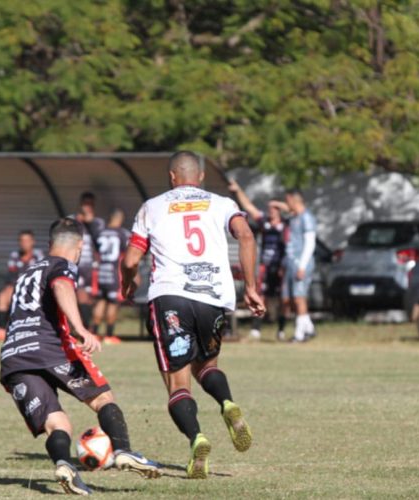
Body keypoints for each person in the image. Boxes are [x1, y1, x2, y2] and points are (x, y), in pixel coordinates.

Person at [121, 151, 266, 479]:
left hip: (170, 296)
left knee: (177, 382)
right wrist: (252, 287)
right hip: (213, 298)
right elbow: (246, 235)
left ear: (173, 177)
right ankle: (227, 403)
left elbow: (131, 260)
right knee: (207, 365)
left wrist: (127, 283)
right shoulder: (222, 203)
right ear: (200, 177)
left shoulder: (152, 207)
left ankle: (196, 437)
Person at [0, 218, 160, 495]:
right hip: (49, 348)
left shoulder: (27, 271)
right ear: (80, 246)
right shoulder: (61, 266)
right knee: (102, 399)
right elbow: (62, 287)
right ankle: (123, 451)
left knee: (57, 423)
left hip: (13, 357)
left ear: (50, 243)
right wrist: (80, 328)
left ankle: (63, 465)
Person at [227, 179, 287, 340]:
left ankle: (281, 330)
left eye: (274, 209)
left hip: (280, 267)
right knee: (261, 296)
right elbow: (249, 207)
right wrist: (238, 190)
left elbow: (296, 210)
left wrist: (280, 205)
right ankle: (256, 329)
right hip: (265, 267)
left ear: (280, 211)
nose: (271, 211)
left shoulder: (286, 224)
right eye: (270, 209)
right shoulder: (265, 223)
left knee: (282, 299)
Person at [272, 188, 317, 343]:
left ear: (293, 199)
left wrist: (302, 266)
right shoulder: (294, 217)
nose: (286, 204)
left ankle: (299, 334)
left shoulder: (307, 218)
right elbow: (288, 209)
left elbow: (310, 244)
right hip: (291, 263)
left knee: (299, 298)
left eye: (287, 200)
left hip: (301, 264)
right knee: (293, 299)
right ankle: (309, 329)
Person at [0, 230, 44, 341]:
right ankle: (1, 329)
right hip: (18, 289)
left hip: (34, 289)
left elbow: (41, 276)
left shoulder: (38, 256)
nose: (24, 243)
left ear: (33, 242)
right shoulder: (14, 256)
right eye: (22, 241)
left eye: (27, 241)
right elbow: (11, 277)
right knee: (3, 295)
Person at [92, 209, 130, 345]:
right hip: (114, 272)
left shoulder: (99, 233)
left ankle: (94, 333)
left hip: (101, 271)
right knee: (113, 303)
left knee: (101, 301)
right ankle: (109, 335)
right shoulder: (122, 234)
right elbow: (127, 255)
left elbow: (96, 253)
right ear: (120, 219)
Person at [72, 192, 106, 329]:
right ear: (81, 205)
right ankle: (84, 329)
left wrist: (90, 223)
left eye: (90, 204)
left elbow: (100, 242)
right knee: (80, 296)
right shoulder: (72, 220)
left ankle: (90, 328)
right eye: (85, 204)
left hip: (93, 267)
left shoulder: (98, 222)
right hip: (76, 264)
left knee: (92, 299)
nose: (87, 207)